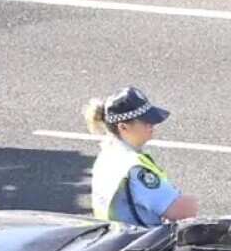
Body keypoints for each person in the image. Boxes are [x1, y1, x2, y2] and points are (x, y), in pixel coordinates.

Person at [83, 87, 198, 226]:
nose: (152, 125)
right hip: (141, 243)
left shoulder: (108, 155)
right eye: (145, 121)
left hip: (115, 239)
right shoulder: (133, 168)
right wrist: (193, 201)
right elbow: (183, 211)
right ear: (123, 127)